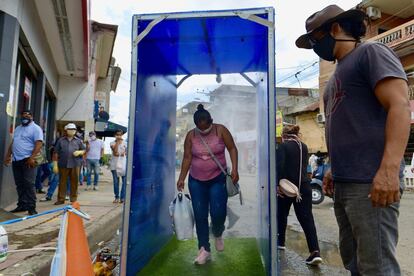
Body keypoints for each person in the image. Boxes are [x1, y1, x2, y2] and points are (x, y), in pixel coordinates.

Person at [296, 5, 410, 275]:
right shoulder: (336, 76)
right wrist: (334, 167)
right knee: (353, 261)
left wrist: (389, 170)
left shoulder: (370, 53)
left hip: (371, 182)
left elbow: (400, 106)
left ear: (336, 29)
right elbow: (346, 127)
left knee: (376, 267)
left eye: (315, 39)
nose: (314, 46)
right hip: (345, 184)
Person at [176, 104, 239, 265]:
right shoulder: (191, 136)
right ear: (196, 124)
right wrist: (182, 177)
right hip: (196, 180)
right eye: (200, 127)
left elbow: (232, 148)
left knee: (218, 212)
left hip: (218, 179)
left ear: (211, 121)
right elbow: (187, 158)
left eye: (206, 126)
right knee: (200, 215)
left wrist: (235, 169)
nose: (203, 129)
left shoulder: (221, 130)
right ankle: (204, 249)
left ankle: (217, 232)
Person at [276, 125, 322, 265]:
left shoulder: (283, 147)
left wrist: (277, 185)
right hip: (304, 187)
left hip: (288, 188)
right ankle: (315, 252)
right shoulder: (304, 146)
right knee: (307, 219)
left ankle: (280, 242)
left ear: (284, 135)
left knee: (281, 215)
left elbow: (279, 166)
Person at [4, 110, 42, 215]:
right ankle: (22, 205)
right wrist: (8, 155)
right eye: (23, 115)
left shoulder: (36, 128)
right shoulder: (18, 128)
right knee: (19, 184)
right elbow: (14, 142)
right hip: (16, 160)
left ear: (32, 117)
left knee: (29, 184)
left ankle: (31, 207)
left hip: (28, 160)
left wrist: (32, 157)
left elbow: (39, 144)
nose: (25, 117)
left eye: (28, 115)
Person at [53, 123, 85, 205]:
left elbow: (85, 150)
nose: (72, 131)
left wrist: (80, 152)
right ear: (66, 130)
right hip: (63, 164)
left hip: (75, 164)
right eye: (70, 129)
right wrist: (55, 164)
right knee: (62, 182)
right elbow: (56, 152)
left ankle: (73, 199)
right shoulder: (60, 140)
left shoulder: (79, 141)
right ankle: (61, 199)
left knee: (74, 182)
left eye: (73, 129)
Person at [110, 130, 127, 203]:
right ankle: (117, 197)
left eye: (120, 134)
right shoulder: (112, 143)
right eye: (117, 134)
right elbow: (115, 153)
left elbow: (126, 153)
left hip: (123, 165)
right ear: (115, 135)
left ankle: (122, 197)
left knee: (124, 182)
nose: (119, 136)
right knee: (116, 182)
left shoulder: (126, 143)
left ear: (122, 135)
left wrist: (124, 152)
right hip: (114, 166)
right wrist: (117, 142)